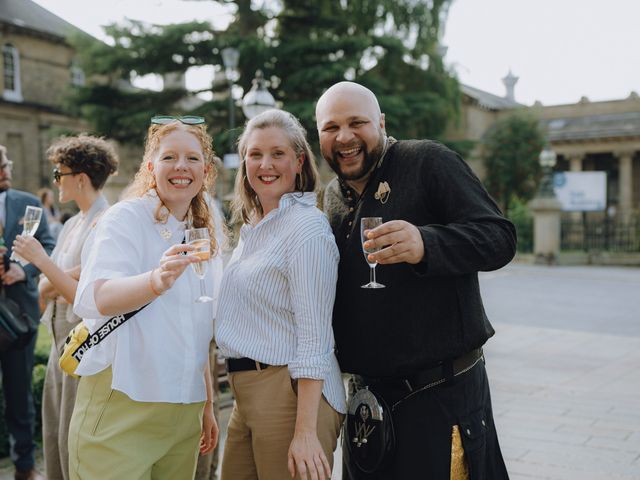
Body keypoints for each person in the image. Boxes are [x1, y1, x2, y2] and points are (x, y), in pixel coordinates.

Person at [316, 82, 516, 479]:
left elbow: (500, 238)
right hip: (368, 406)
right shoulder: (331, 198)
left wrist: (428, 243)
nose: (344, 137)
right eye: (330, 127)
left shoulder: (427, 161)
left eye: (357, 123)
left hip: (440, 400)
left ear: (382, 123)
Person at [68, 116, 222, 480]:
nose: (181, 166)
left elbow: (197, 328)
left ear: (206, 170)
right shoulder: (125, 218)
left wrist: (207, 404)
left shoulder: (202, 232)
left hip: (184, 411)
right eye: (169, 157)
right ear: (151, 167)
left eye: (192, 158)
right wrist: (156, 280)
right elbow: (96, 296)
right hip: (122, 404)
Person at [215, 109, 346, 480]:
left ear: (299, 160)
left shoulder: (306, 229)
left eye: (278, 153)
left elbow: (315, 335)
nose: (265, 164)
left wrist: (305, 431)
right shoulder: (256, 228)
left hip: (290, 395)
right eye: (255, 154)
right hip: (246, 396)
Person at [13, 134, 119, 480]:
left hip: (84, 344)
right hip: (61, 341)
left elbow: (86, 296)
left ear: (81, 178)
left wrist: (46, 265)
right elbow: (48, 284)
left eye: (59, 174)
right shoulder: (73, 223)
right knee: (56, 429)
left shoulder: (107, 223)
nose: (55, 181)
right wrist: (60, 275)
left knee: (77, 437)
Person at [0, 144, 55, 480]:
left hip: (19, 316)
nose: (6, 170)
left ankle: (24, 467)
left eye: (6, 164)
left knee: (20, 396)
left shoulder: (28, 204)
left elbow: (46, 245)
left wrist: (25, 270)